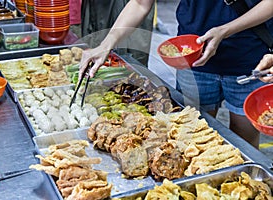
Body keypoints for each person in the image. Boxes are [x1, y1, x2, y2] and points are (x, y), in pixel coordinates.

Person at [79, 0, 273, 149]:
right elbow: (140, 3)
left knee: (243, 143)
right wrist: (106, 44)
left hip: (251, 59)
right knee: (190, 136)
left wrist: (225, 30)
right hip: (192, 56)